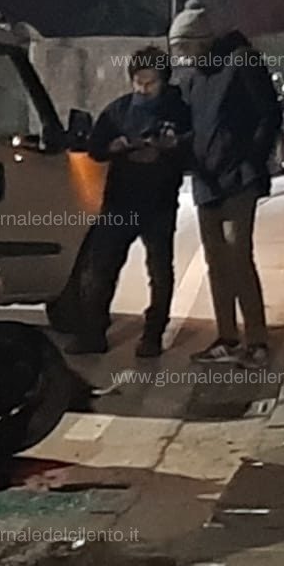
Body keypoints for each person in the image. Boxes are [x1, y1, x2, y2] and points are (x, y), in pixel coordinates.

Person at [169, 0, 283, 369]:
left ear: (199, 40)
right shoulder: (191, 79)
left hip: (239, 180)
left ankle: (257, 340)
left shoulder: (242, 62)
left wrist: (251, 158)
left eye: (184, 47)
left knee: (238, 256)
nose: (181, 56)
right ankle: (227, 337)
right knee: (216, 261)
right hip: (207, 181)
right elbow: (187, 125)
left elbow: (269, 113)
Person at [65, 45, 191, 358]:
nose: (144, 88)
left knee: (159, 271)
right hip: (120, 202)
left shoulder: (180, 110)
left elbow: (194, 149)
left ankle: (152, 336)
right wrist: (116, 145)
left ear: (164, 80)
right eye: (139, 81)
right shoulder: (118, 110)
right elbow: (94, 149)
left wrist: (170, 147)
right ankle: (93, 333)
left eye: (151, 82)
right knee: (100, 268)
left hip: (159, 203)